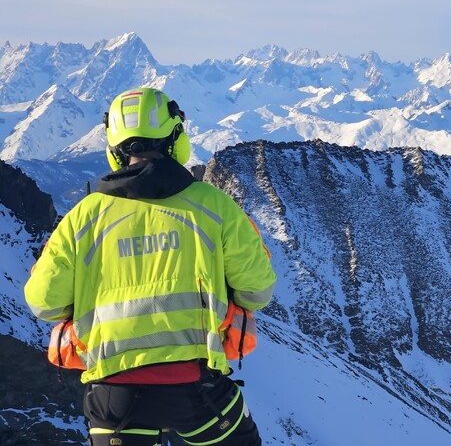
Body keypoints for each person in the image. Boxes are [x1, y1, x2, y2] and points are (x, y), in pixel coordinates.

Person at [24, 87, 277, 445]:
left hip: (113, 399)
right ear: (176, 138)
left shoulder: (82, 218)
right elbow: (257, 291)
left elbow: (44, 302)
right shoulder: (214, 207)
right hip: (197, 391)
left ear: (114, 150)